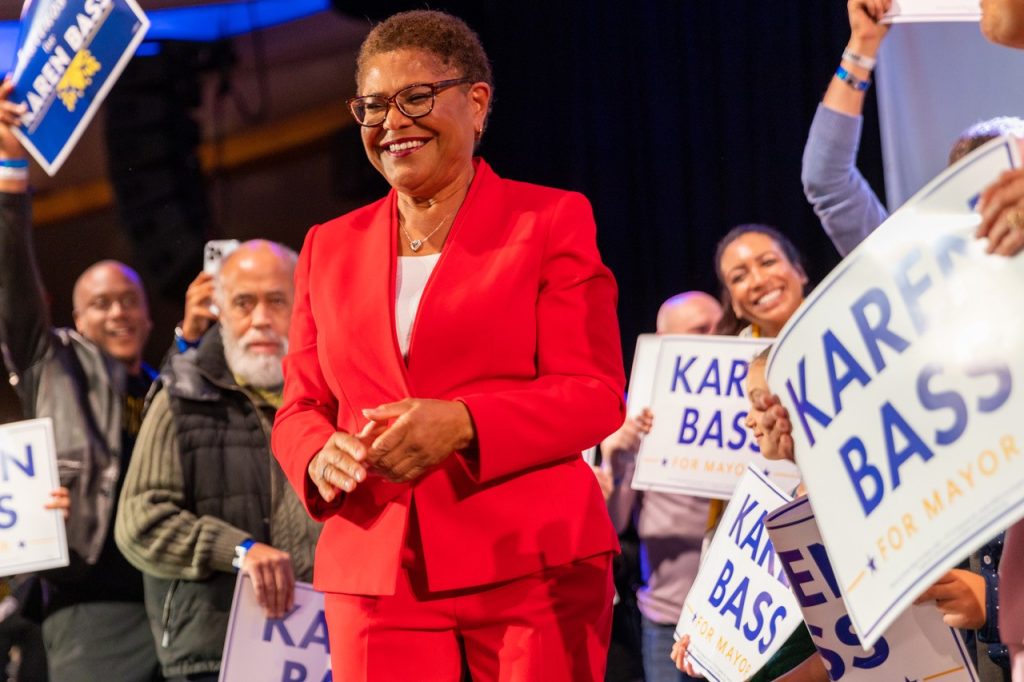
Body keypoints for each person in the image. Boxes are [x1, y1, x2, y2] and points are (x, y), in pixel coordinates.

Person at [270, 9, 625, 681]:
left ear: (477, 102)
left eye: (416, 98)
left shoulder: (549, 219)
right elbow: (299, 407)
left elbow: (595, 396)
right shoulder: (326, 246)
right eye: (372, 108)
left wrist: (464, 423)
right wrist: (318, 455)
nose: (392, 124)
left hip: (530, 558)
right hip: (376, 564)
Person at [798, 3, 1015, 676]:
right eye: (964, 189)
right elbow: (827, 183)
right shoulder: (917, 297)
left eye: (1005, 179)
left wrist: (1001, 596)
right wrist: (861, 47)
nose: (990, 204)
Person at [0, 80, 161, 681]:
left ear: (148, 316)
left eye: (128, 301)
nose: (116, 313)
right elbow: (11, 277)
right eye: (101, 304)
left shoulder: (170, 391)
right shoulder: (51, 361)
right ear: (76, 318)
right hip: (85, 601)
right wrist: (11, 169)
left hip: (170, 601)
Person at [115, 241, 321, 682]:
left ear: (303, 306)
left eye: (277, 300)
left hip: (327, 649)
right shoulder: (182, 395)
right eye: (244, 303)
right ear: (220, 311)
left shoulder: (337, 397)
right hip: (216, 657)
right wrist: (238, 550)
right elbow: (138, 521)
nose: (261, 319)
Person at [602, 291, 721, 682]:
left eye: (722, 327)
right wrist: (615, 458)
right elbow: (613, 527)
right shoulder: (638, 414)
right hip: (669, 617)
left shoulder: (755, 403)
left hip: (740, 617)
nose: (717, 337)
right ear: (665, 340)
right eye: (701, 330)